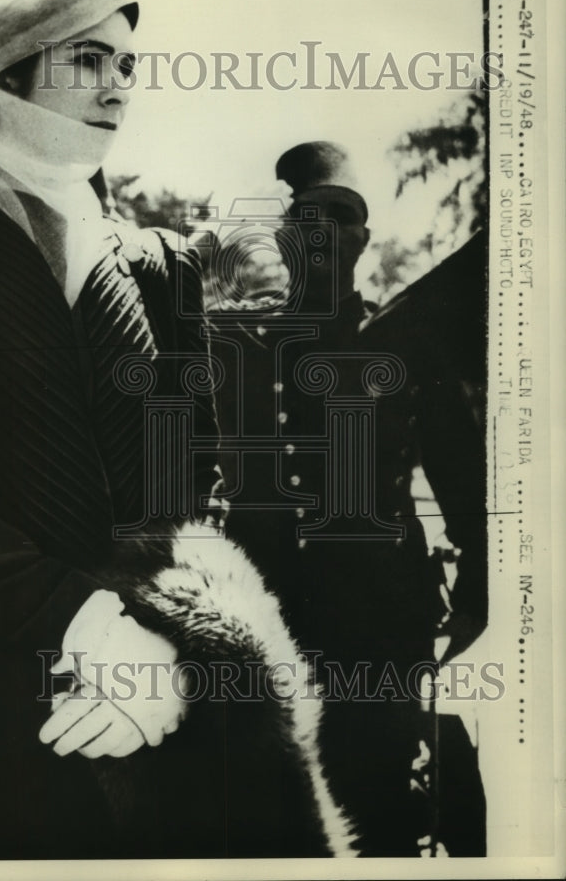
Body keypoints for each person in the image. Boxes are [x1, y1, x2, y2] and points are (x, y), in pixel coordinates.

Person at [0, 0, 354, 859]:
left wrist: (172, 652)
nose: (118, 88)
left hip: (165, 695)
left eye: (128, 66)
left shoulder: (161, 267)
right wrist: (87, 629)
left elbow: (192, 491)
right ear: (3, 76)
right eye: (88, 60)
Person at [207, 141, 487, 856]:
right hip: (265, 622)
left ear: (364, 237)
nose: (324, 233)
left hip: (379, 625)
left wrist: (478, 593)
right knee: (266, 819)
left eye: (341, 217)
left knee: (378, 811)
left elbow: (462, 480)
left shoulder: (406, 345)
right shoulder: (234, 348)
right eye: (306, 217)